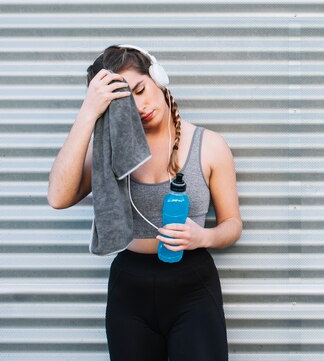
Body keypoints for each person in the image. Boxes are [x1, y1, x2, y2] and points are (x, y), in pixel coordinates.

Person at [47, 45, 242, 361]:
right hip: (130, 287)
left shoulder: (210, 146)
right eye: (125, 102)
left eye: (140, 89)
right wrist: (87, 114)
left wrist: (204, 237)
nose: (139, 106)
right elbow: (58, 197)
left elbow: (232, 224)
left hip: (193, 283)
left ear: (158, 77)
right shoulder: (110, 152)